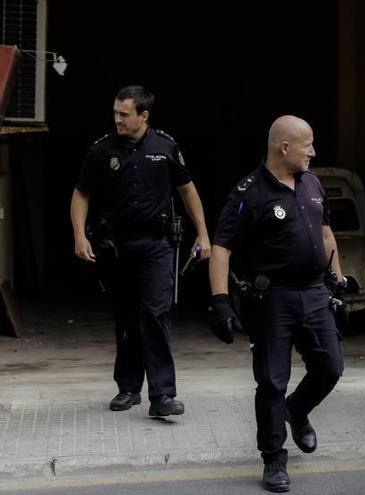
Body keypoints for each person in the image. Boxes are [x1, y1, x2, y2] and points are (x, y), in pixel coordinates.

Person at [208, 115, 346, 493]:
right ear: (284, 148)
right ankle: (273, 459)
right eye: (307, 145)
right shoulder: (248, 192)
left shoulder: (313, 183)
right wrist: (220, 300)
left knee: (330, 367)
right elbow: (222, 247)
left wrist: (338, 280)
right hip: (272, 298)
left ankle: (297, 410)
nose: (313, 152)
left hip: (316, 292)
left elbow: (326, 233)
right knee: (271, 381)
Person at [70, 85, 211, 418]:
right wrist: (79, 235)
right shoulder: (102, 150)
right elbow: (81, 194)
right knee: (127, 317)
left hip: (158, 244)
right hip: (117, 245)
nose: (117, 119)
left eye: (124, 114)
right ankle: (129, 387)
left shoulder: (165, 147)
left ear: (143, 116)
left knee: (155, 313)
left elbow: (188, 191)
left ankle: (162, 395)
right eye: (115, 113)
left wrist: (203, 234)